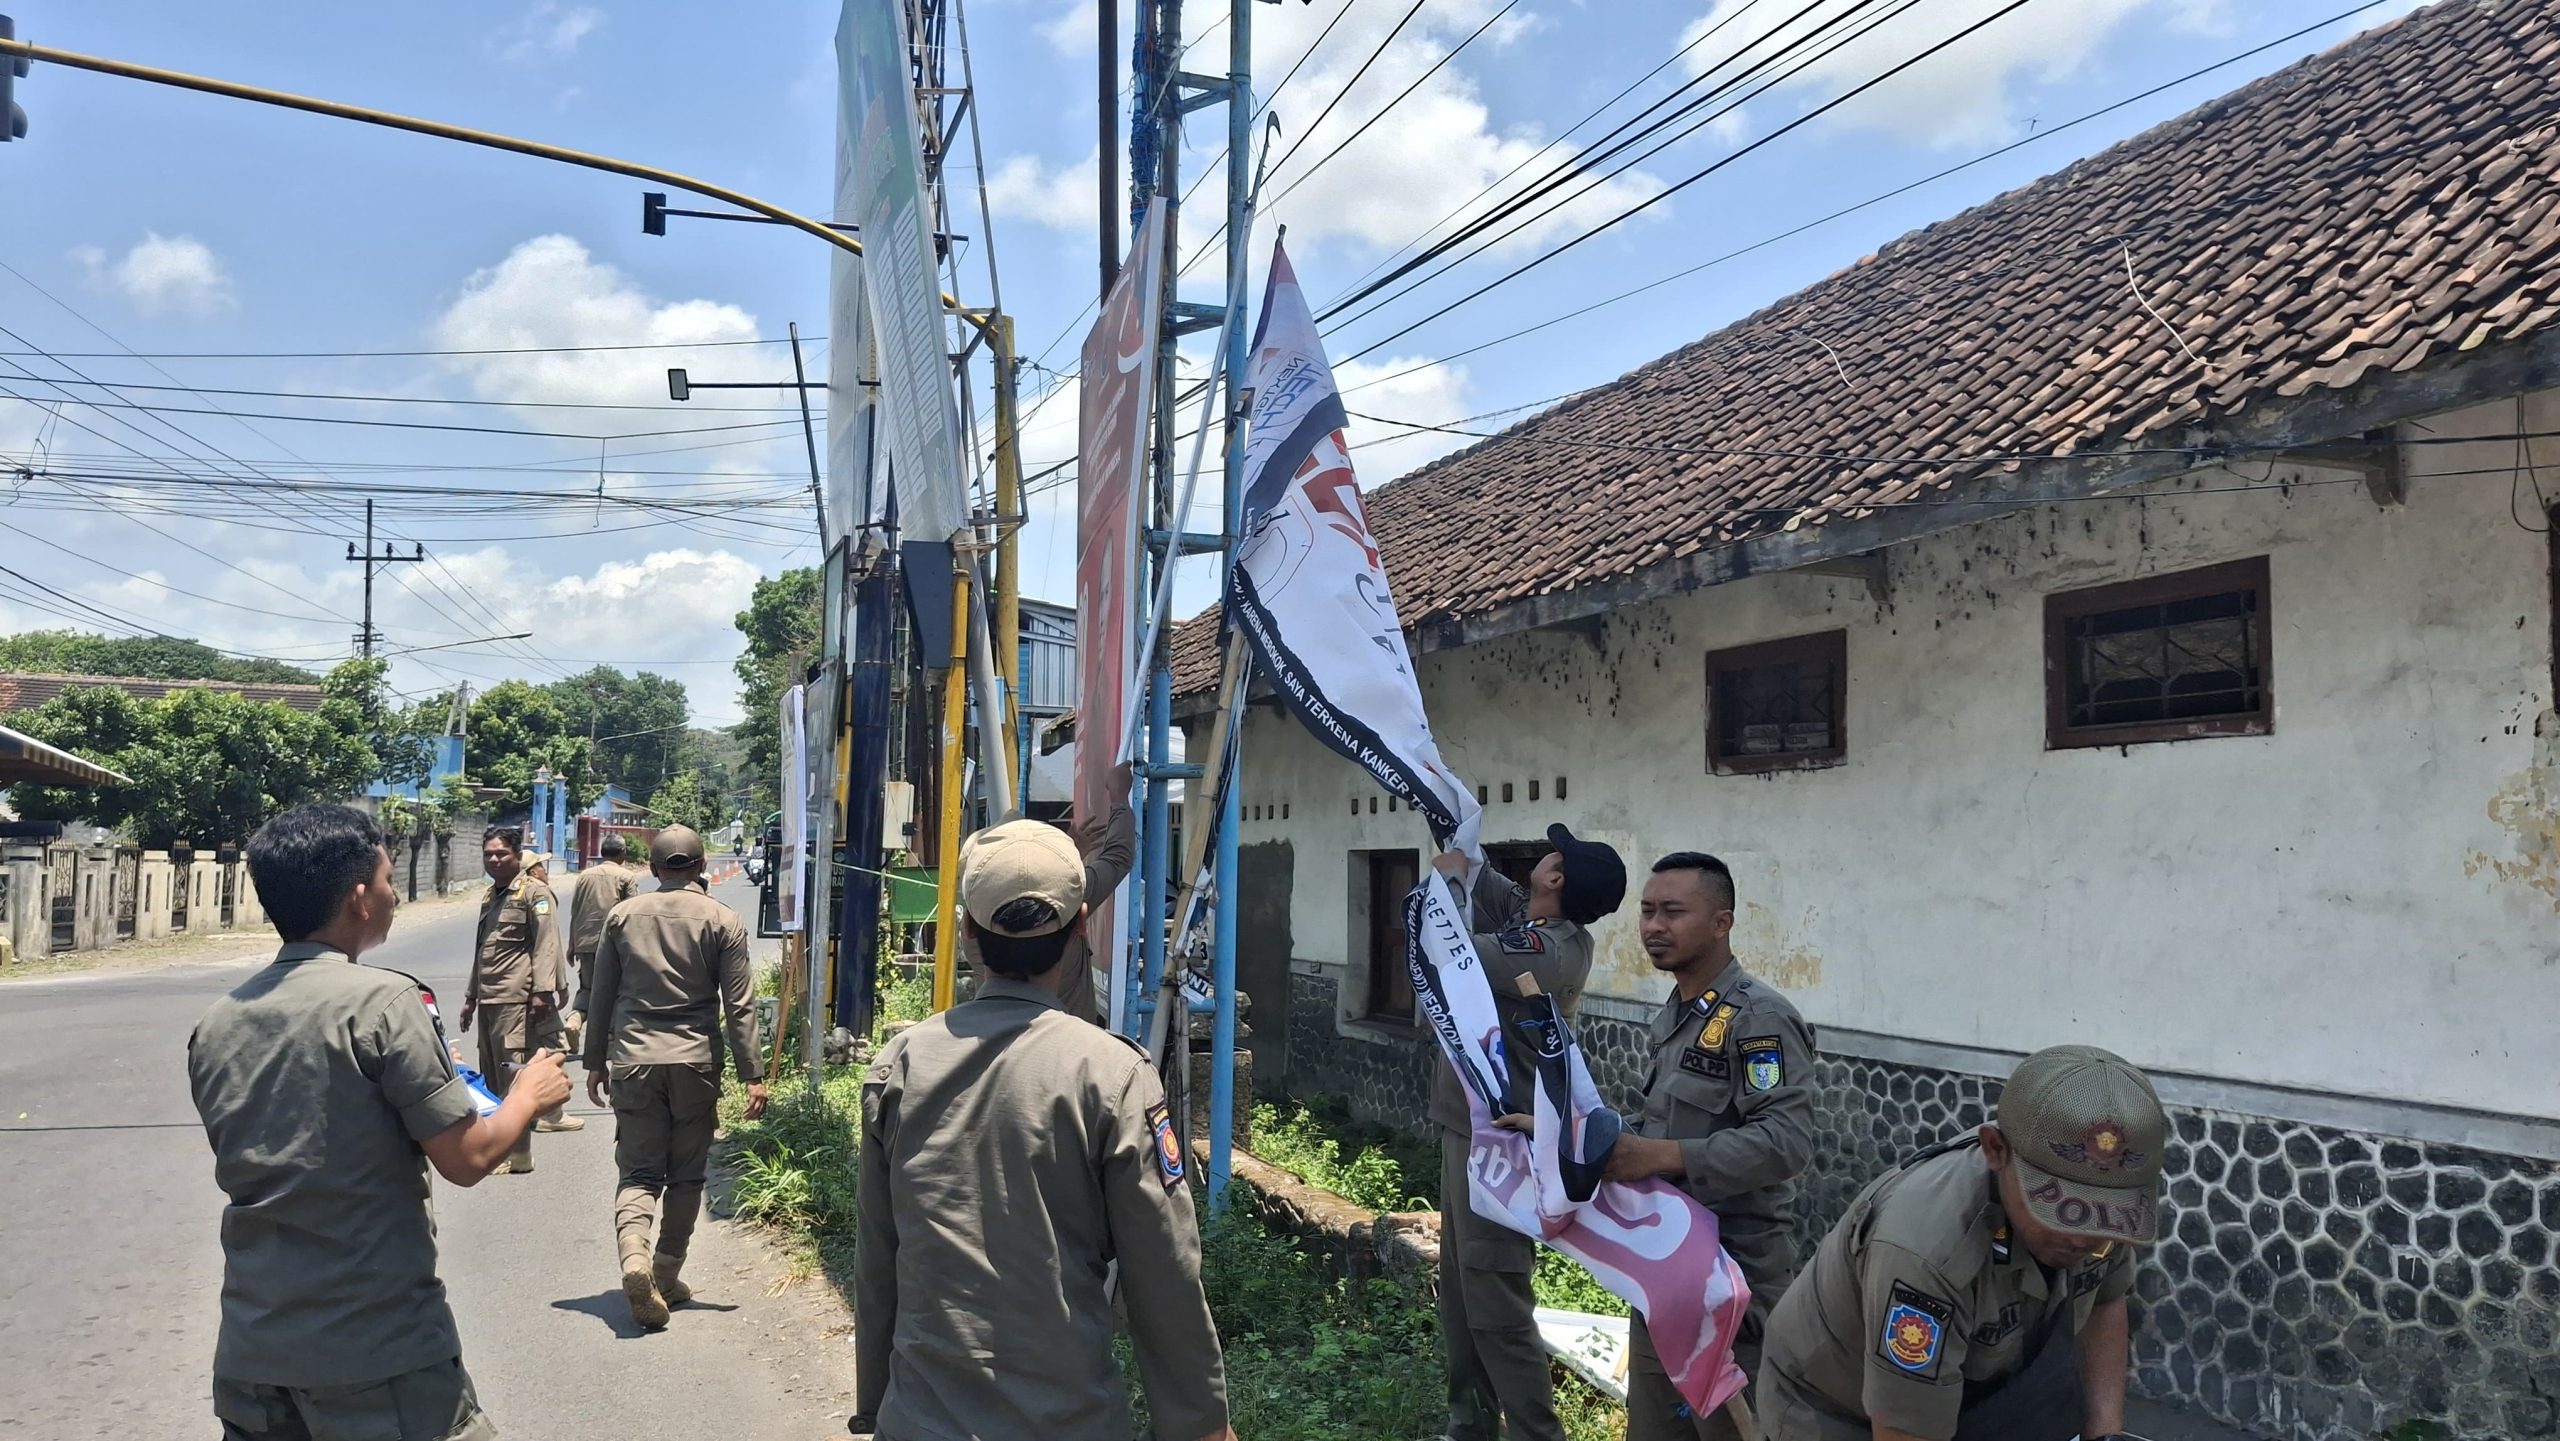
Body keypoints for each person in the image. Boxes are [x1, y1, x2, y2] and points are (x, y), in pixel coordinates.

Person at [188, 803, 571, 1441]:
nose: (395, 895)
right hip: (375, 1348)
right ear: (361, 898)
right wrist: (528, 1096)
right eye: (391, 881)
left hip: (253, 1351)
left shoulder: (218, 1022)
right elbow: (469, 1158)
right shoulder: (386, 1003)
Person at [852, 814, 1231, 1441]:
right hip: (1065, 1421)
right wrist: (1200, 1424)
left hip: (920, 1420)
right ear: (1081, 927)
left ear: (969, 932)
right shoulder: (1112, 1072)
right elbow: (1162, 1272)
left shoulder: (902, 1063)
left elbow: (878, 1256)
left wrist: (874, 1401)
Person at [1757, 1046, 2162, 1441]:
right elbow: (1905, 1429)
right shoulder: (1925, 1251)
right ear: (1995, 1150)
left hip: (1981, 1399)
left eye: (2104, 1215)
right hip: (1836, 1412)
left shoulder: (2105, 1203)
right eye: (2057, 1209)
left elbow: (2106, 1299)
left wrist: (2106, 1434)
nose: (2082, 1239)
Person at [1602, 852, 1818, 1441]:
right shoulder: (1679, 1012)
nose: (1653, 926)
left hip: (1732, 1282)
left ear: (1722, 922)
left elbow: (1785, 1141)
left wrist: (1663, 1156)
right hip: (1663, 1273)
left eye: (1673, 912)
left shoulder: (1759, 1020)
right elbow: (1660, 1123)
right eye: (1647, 912)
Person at [1424, 825, 1626, 1441]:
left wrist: (1450, 884)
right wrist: (1441, 804)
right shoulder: (1539, 922)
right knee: (1461, 1296)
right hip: (1468, 1129)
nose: (1541, 857)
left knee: (1493, 1294)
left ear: (1556, 880)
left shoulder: (1544, 949)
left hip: (1502, 1141)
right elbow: (1486, 874)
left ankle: (1537, 1434)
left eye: (1553, 855)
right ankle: (1473, 1426)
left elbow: (1447, 947)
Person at [581, 824, 766, 1330]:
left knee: (639, 1173)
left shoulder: (622, 916)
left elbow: (602, 994)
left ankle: (634, 1257)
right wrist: (753, 1074)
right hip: (695, 1061)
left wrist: (594, 1059)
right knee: (686, 1175)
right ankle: (665, 1271)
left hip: (634, 1059)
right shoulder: (722, 918)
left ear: (655, 869)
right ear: (703, 868)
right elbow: (740, 1005)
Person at [463, 826, 569, 1170]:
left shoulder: (533, 893)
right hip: (490, 1000)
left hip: (517, 999)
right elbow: (481, 951)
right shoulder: (491, 896)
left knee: (514, 1076)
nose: (494, 860)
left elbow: (546, 943)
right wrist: (470, 997)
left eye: (501, 854)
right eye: (488, 854)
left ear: (517, 855)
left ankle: (519, 1154)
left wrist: (542, 991)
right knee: (491, 1076)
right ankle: (504, 1151)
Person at [564, 833, 645, 1050]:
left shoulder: (584, 876)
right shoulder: (626, 876)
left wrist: (572, 944)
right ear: (622, 853)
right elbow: (632, 912)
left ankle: (574, 1020)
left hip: (585, 941)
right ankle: (609, 1041)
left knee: (588, 988)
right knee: (615, 991)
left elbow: (575, 910)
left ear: (602, 853)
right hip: (613, 944)